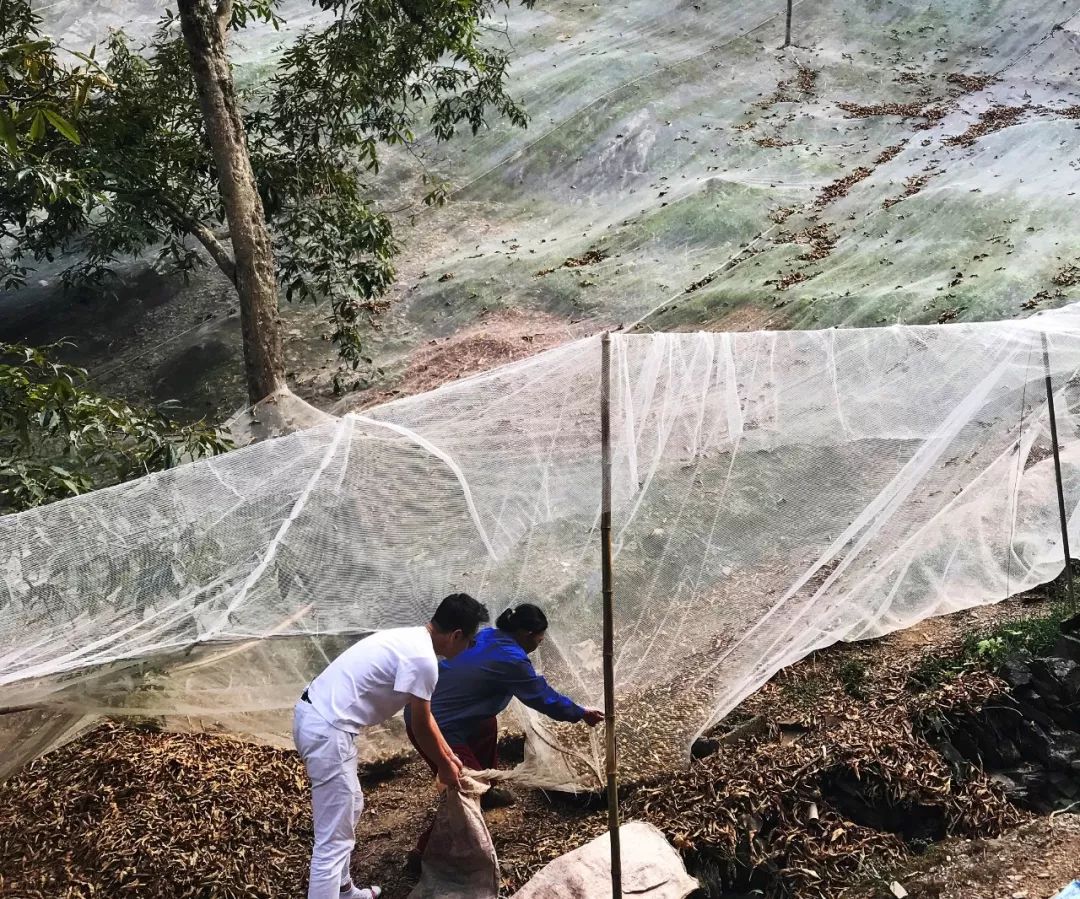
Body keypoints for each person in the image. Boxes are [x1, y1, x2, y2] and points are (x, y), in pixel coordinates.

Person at [293, 593, 489, 899]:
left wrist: (448, 756)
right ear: (456, 635)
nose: (469, 647)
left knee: (352, 804)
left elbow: (426, 717)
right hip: (328, 730)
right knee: (332, 842)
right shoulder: (424, 661)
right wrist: (443, 766)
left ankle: (344, 891)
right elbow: (420, 726)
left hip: (320, 719)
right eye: (470, 641)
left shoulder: (411, 640)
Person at [403, 603, 602, 869]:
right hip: (432, 724)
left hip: (441, 711)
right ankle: (425, 853)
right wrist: (580, 713)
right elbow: (543, 697)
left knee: (486, 723)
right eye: (540, 638)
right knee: (464, 787)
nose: (540, 643)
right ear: (527, 634)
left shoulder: (489, 635)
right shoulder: (512, 660)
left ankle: (487, 794)